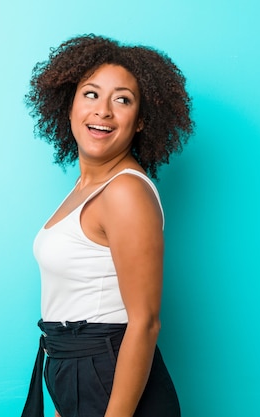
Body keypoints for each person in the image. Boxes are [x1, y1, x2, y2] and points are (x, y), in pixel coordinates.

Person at [21, 34, 194, 417]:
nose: (103, 111)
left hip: (110, 376)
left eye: (122, 99)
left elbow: (145, 323)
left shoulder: (125, 191)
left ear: (141, 121)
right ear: (69, 105)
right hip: (79, 368)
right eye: (91, 94)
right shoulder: (87, 187)